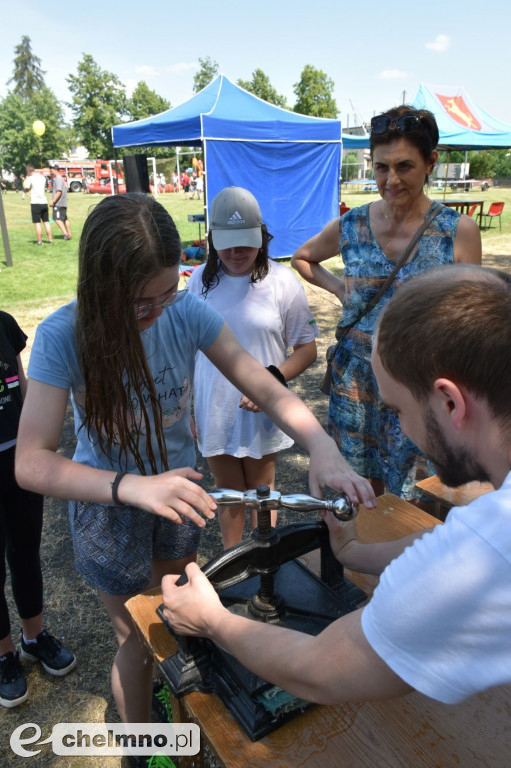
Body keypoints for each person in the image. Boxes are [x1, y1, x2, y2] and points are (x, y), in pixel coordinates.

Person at [15, 193, 375, 730]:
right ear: (100, 288)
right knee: (135, 638)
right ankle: (140, 739)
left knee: (173, 629)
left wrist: (322, 447)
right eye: (140, 302)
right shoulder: (61, 335)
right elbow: (32, 462)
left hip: (174, 498)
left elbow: (265, 386)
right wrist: (135, 487)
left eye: (165, 295)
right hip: (109, 503)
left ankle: (174, 713)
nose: (156, 312)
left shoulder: (183, 311)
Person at [162, 263, 511, 711]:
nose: (401, 431)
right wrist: (354, 554)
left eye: (397, 410)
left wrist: (211, 621)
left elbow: (322, 670)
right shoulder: (487, 531)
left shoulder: (486, 553)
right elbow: (453, 537)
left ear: (450, 402)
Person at [291, 105, 482, 505]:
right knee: (357, 491)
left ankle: (403, 568)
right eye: (381, 167)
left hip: (418, 386)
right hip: (355, 382)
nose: (390, 180)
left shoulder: (456, 232)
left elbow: (472, 319)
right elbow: (302, 258)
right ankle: (359, 565)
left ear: (430, 163)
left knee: (414, 497)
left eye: (404, 166)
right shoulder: (353, 225)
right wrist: (343, 291)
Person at [188, 187, 319, 547]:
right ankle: (234, 565)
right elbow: (187, 347)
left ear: (262, 238)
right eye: (226, 243)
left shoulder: (282, 281)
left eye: (246, 242)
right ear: (212, 239)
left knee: (263, 492)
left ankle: (266, 564)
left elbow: (307, 349)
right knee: (228, 494)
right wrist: (185, 407)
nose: (236, 253)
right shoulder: (198, 280)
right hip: (213, 405)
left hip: (262, 408)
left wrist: (271, 381)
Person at [0, 311, 76, 709]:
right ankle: (4, 655)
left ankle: (33, 638)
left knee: (26, 554)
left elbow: (21, 385)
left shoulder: (3, 323)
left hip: (17, 462)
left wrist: (37, 443)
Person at [24, 164, 53, 245]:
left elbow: (26, 188)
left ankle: (39, 241)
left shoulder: (30, 178)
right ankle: (50, 240)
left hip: (35, 202)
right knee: (46, 221)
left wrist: (27, 180)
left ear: (29, 171)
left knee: (37, 222)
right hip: (44, 201)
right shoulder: (42, 177)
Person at [49, 165, 72, 240]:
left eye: (51, 171)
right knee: (65, 219)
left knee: (57, 219)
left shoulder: (58, 179)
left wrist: (53, 201)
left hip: (59, 203)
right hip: (63, 203)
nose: (50, 172)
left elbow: (59, 191)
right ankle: (69, 234)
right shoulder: (61, 179)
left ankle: (65, 234)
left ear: (55, 170)